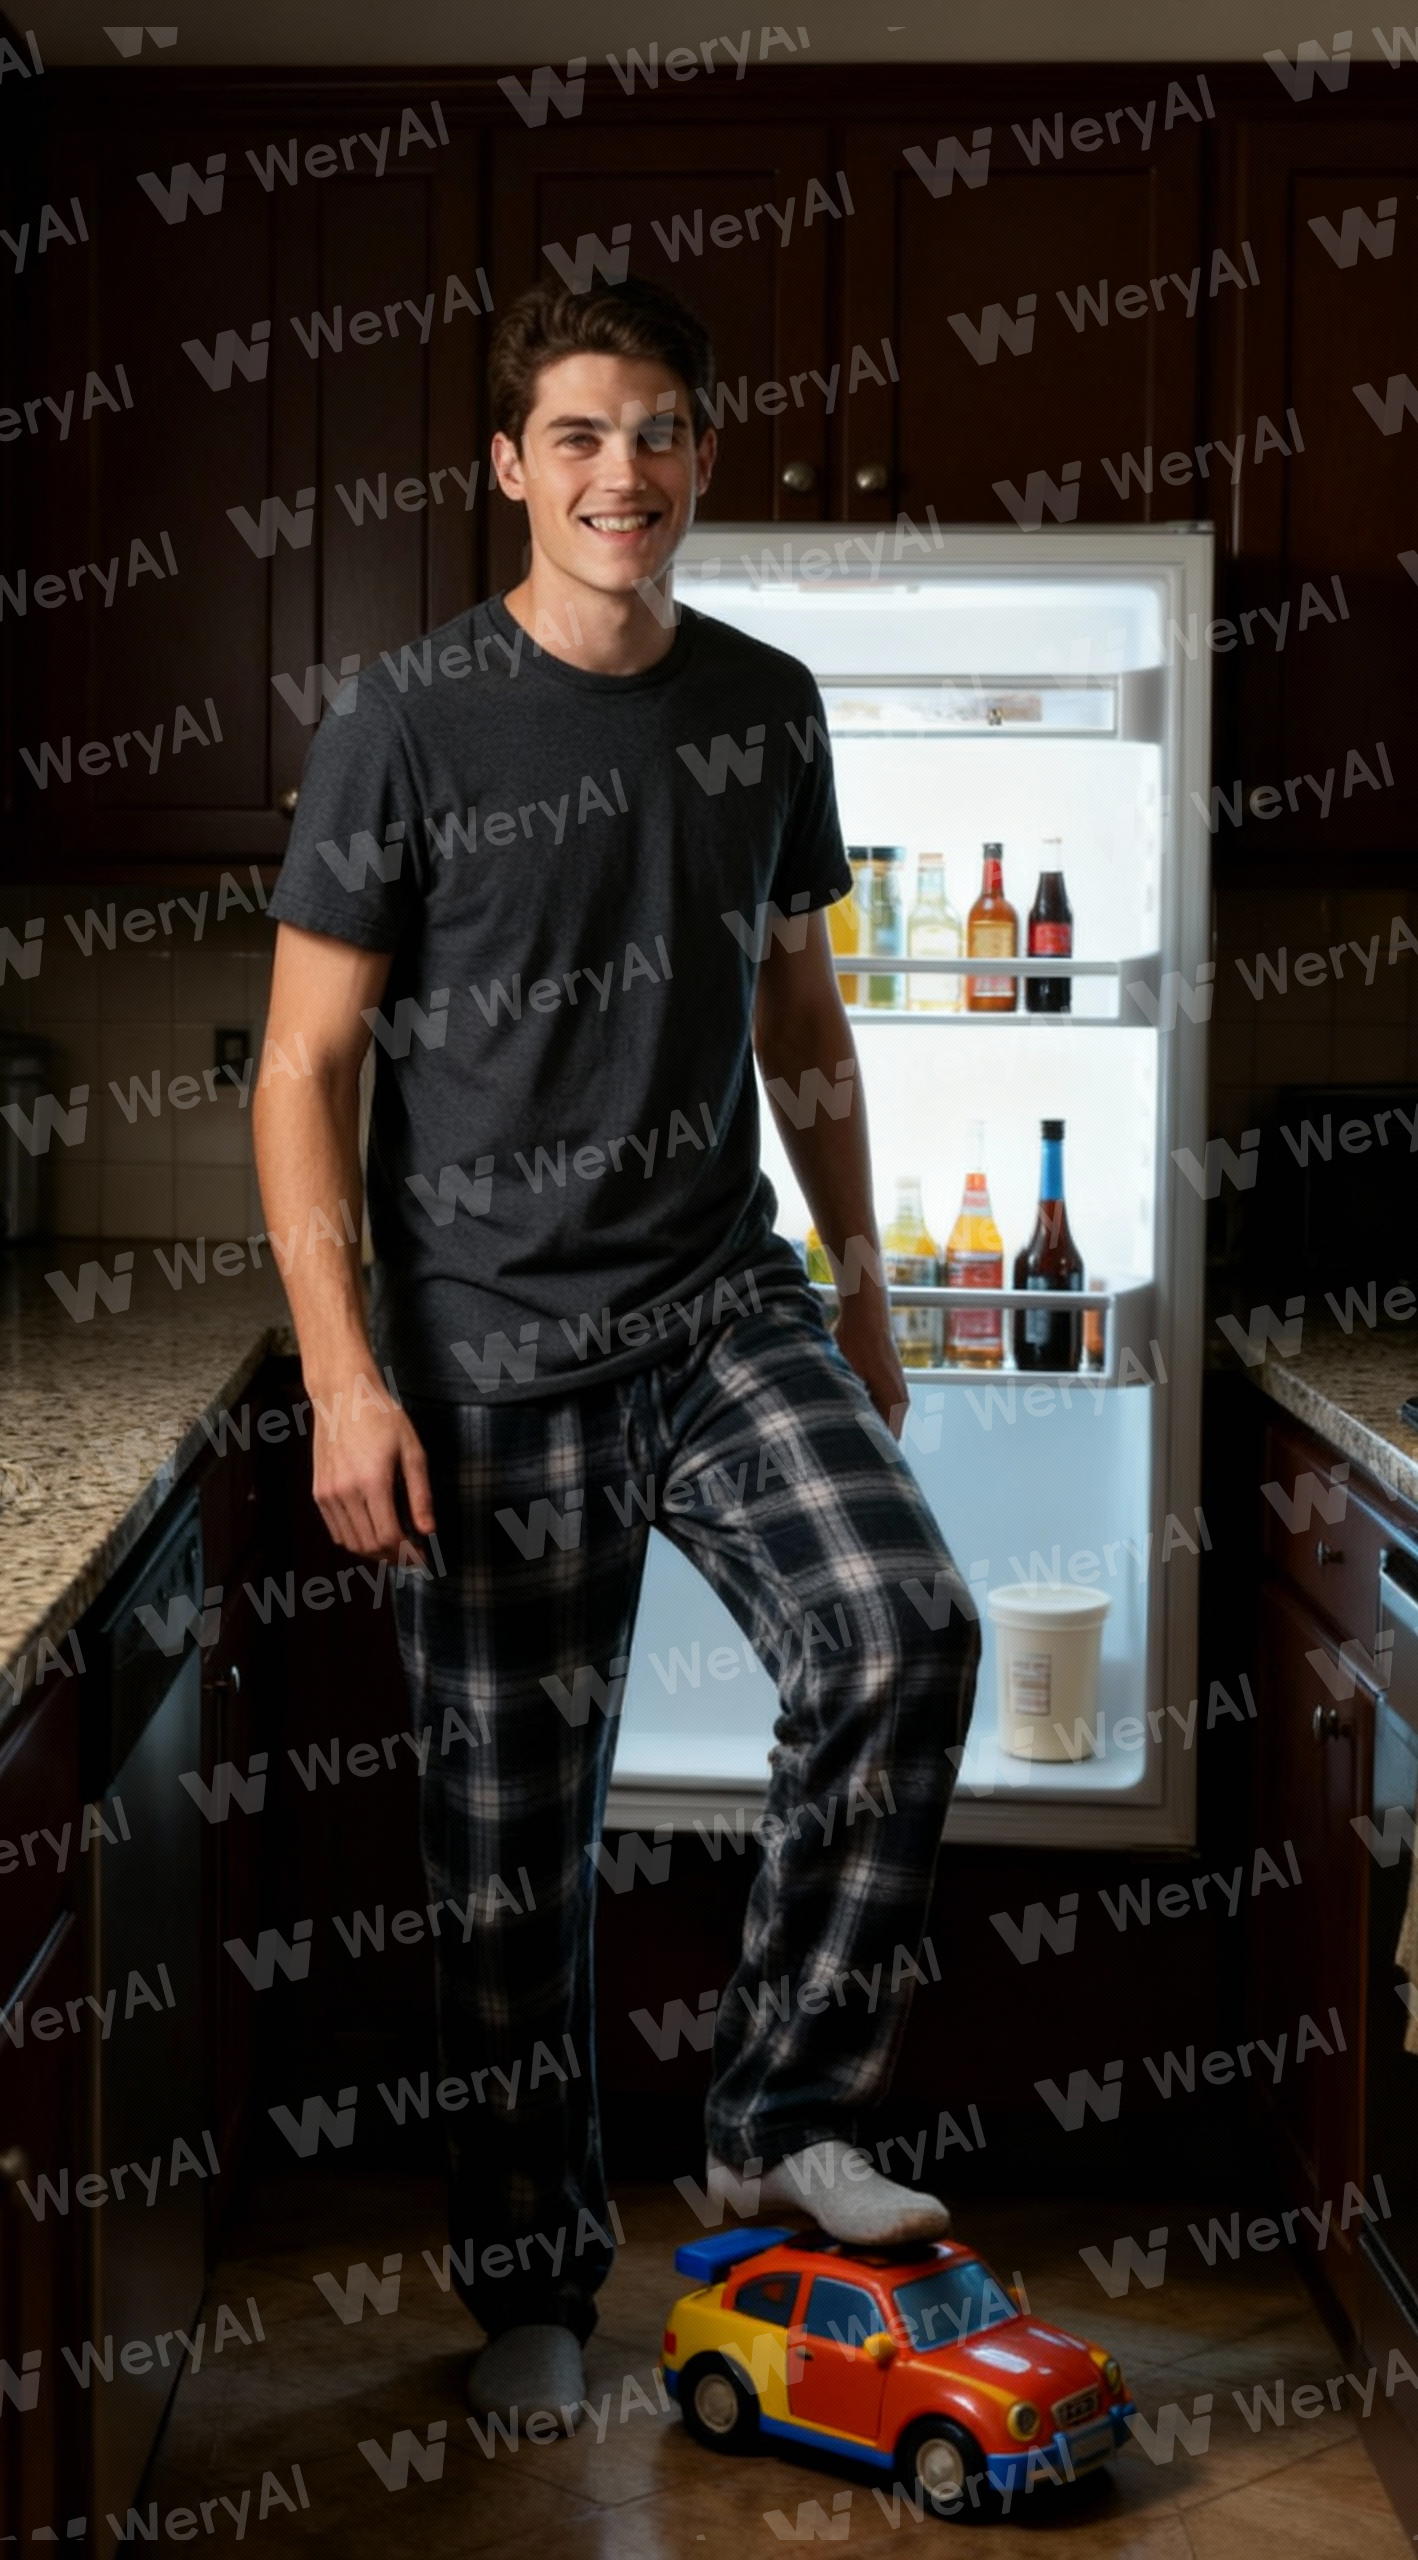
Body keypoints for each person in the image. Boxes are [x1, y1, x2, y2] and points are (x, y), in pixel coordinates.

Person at [252, 271, 981, 2430]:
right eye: (577, 434)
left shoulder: (766, 703)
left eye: (657, 431)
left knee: (904, 1627)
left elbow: (800, 1016)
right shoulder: (404, 719)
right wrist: (346, 1374)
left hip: (725, 1302)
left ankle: (776, 2114)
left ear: (704, 458)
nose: (621, 472)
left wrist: (864, 1287)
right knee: (510, 1862)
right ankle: (530, 2281)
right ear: (511, 465)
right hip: (484, 1355)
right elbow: (302, 1068)